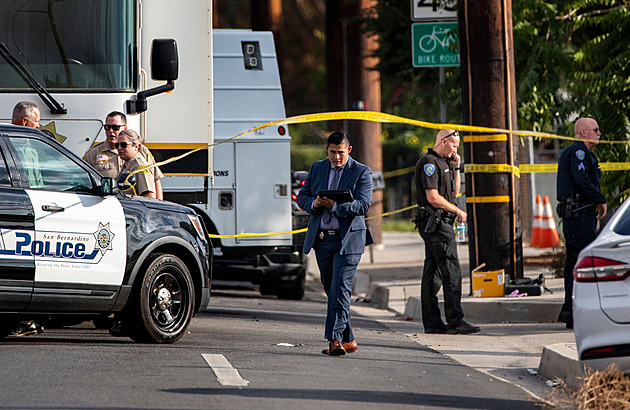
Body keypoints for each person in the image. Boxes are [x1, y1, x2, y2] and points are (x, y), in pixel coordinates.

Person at [297, 131, 373, 356]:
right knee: (332, 289)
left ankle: (335, 340)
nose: (337, 157)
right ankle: (349, 339)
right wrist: (315, 203)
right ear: (327, 151)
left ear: (348, 150)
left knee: (340, 288)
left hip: (349, 240)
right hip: (323, 240)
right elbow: (302, 196)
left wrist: (334, 206)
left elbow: (363, 205)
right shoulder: (318, 168)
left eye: (341, 153)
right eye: (332, 152)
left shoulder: (361, 172)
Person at [415, 129, 480, 335]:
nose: (455, 149)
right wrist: (457, 210)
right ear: (443, 141)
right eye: (453, 145)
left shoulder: (444, 163)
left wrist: (456, 167)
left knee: (432, 274)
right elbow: (433, 197)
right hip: (436, 225)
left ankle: (433, 323)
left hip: (442, 223)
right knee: (451, 272)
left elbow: (454, 193)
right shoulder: (429, 163)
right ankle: (455, 321)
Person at [556, 117, 607, 329]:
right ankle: (577, 311)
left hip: (580, 215)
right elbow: (582, 179)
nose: (599, 133)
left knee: (576, 262)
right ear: (583, 133)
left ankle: (572, 311)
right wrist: (599, 199)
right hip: (578, 216)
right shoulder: (578, 152)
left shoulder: (583, 154)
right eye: (595, 130)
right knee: (582, 262)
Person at [3, 102, 44, 337]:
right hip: (30, 213)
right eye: (37, 121)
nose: (39, 126)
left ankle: (29, 320)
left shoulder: (19, 145)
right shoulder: (27, 147)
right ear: (26, 123)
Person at [84, 111, 164, 199]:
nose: (111, 131)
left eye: (115, 127)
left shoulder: (141, 150)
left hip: (134, 205)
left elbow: (155, 180)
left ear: (125, 128)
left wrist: (159, 206)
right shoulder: (93, 154)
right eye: (107, 127)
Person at [116, 129, 157, 198]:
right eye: (117, 145)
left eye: (123, 145)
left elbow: (149, 196)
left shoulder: (140, 167)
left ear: (136, 147)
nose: (119, 148)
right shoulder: (128, 164)